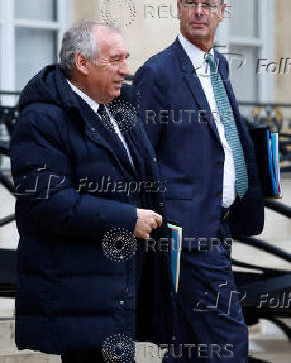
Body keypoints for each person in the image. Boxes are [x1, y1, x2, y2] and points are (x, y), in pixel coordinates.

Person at [10, 21, 172, 363]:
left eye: (126, 59)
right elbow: (47, 203)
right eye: (115, 60)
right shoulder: (41, 119)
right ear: (82, 63)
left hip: (122, 285)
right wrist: (128, 219)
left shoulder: (120, 109)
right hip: (79, 292)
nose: (126, 71)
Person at [133, 0, 264, 362]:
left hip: (219, 223)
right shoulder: (157, 72)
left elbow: (222, 137)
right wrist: (163, 223)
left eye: (208, 5)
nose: (199, 12)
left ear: (223, 13)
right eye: (191, 3)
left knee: (187, 343)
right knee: (228, 341)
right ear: (178, 9)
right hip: (186, 234)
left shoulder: (217, 65)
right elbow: (141, 158)